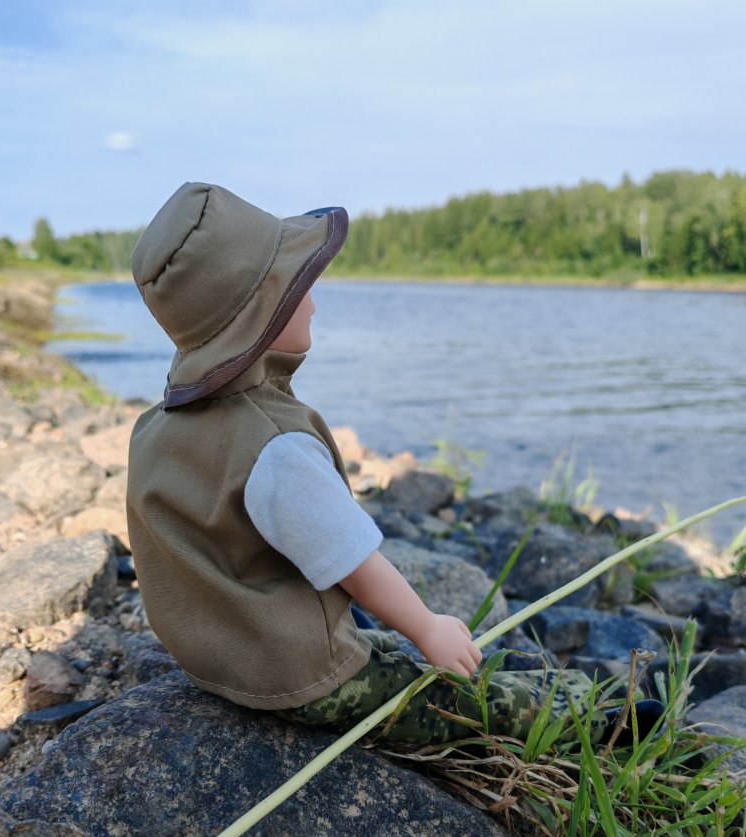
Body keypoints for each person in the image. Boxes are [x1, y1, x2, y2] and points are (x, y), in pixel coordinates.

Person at [126, 182, 650, 746]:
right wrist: (426, 628)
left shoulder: (154, 430)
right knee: (453, 699)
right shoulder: (275, 446)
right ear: (262, 316)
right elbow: (354, 562)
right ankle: (603, 719)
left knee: (384, 644)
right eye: (300, 287)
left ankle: (529, 678)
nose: (315, 301)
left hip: (220, 659)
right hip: (296, 674)